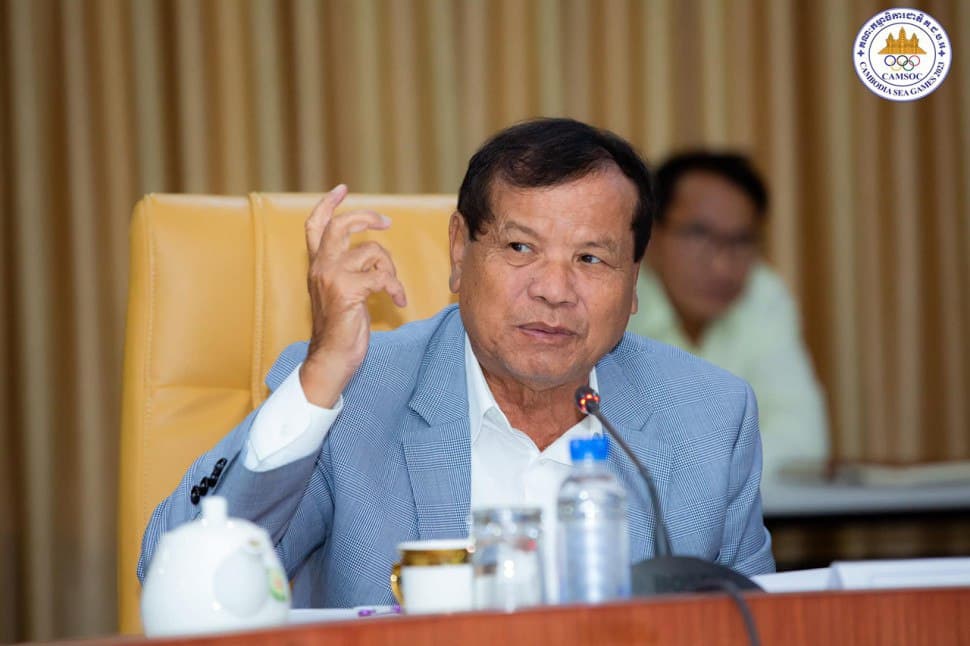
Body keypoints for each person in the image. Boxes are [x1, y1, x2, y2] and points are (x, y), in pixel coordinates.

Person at [138, 119, 774, 608]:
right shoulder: (354, 394)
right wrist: (322, 376)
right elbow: (173, 576)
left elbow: (756, 625)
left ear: (634, 282)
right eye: (520, 247)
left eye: (590, 259)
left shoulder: (709, 415)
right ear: (459, 253)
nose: (555, 290)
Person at [627, 152, 829, 488]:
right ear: (651, 235)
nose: (722, 266)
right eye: (699, 235)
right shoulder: (617, 299)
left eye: (741, 241)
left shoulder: (761, 295)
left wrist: (692, 471)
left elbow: (805, 443)